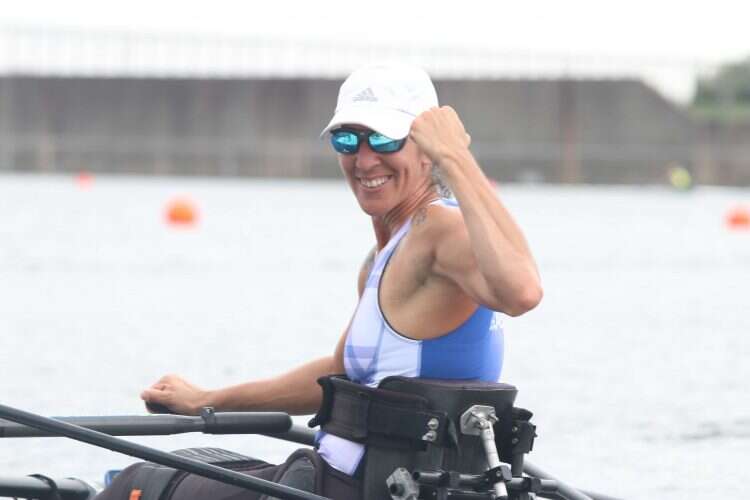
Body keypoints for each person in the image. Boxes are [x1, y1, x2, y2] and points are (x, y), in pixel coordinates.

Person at [96, 63, 542, 500]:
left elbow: (522, 293)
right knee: (194, 460)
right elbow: (338, 376)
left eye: (385, 139)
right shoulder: (387, 255)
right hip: (351, 478)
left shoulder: (440, 231)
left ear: (426, 150)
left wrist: (457, 157)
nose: (364, 160)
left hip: (350, 485)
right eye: (348, 139)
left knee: (135, 485)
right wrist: (207, 399)